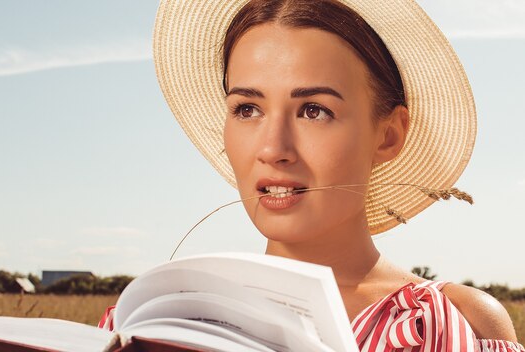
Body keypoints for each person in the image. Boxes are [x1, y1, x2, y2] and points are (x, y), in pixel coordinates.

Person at [102, 0, 524, 350]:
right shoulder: (152, 320)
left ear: (389, 134)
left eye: (314, 110)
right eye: (248, 109)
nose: (272, 149)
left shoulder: (456, 323)